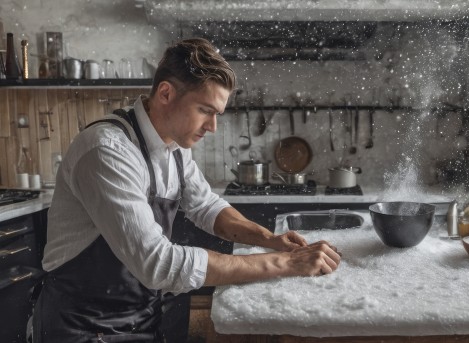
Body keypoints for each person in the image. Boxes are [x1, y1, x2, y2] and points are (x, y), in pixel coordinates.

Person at [32, 38, 341, 343]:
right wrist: (286, 263)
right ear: (166, 93)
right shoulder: (107, 151)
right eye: (206, 110)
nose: (213, 127)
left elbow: (205, 205)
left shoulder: (175, 146)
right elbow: (158, 264)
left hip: (141, 317)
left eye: (217, 114)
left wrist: (266, 238)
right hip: (80, 326)